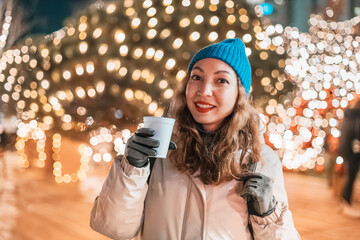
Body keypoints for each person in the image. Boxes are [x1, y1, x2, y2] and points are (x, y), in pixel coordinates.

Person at [90, 38, 300, 239]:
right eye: (197, 77)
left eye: (221, 80)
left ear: (240, 94)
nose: (204, 91)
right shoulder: (159, 149)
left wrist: (268, 213)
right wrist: (131, 169)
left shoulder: (259, 159)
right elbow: (113, 228)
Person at [338, 100, 360, 218]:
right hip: (353, 151)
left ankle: (343, 203)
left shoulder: (349, 115)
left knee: (348, 176)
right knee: (351, 177)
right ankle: (346, 203)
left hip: (345, 149)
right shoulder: (357, 117)